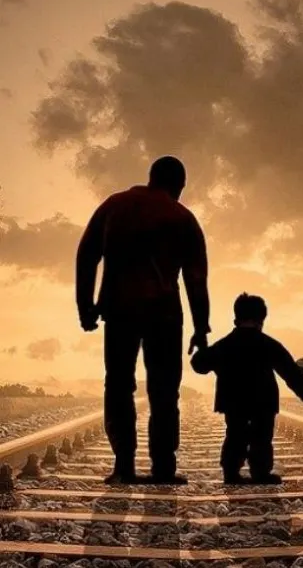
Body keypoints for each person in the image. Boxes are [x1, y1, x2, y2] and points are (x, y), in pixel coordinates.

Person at [75, 156, 210, 485]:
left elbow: (87, 254)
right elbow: (195, 279)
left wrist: (86, 306)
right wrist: (200, 329)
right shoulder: (183, 217)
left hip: (120, 310)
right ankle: (163, 467)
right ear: (179, 186)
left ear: (151, 177)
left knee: (118, 384)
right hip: (165, 313)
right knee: (164, 391)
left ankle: (123, 465)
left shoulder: (114, 205)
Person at [191, 293, 303, 485]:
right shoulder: (270, 345)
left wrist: (202, 346)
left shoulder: (225, 344)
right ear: (262, 319)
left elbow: (199, 365)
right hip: (263, 402)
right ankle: (260, 473)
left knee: (235, 434)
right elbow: (291, 373)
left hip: (233, 401)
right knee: (262, 437)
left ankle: (231, 472)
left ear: (236, 318)